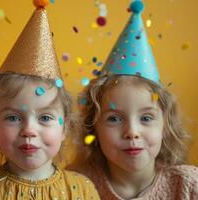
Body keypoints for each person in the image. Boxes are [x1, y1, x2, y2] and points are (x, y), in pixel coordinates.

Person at [0, 1, 99, 199]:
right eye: (13, 118)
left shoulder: (83, 190)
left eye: (45, 117)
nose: (29, 130)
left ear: (65, 126)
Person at [73, 1, 198, 199]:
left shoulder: (189, 186)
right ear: (92, 128)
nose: (132, 133)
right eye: (114, 119)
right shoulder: (75, 186)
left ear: (165, 125)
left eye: (146, 118)